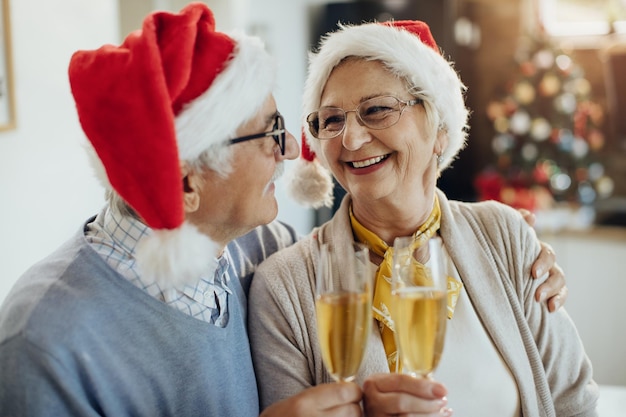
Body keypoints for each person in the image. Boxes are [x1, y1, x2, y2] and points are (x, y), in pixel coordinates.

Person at [0, 4, 567, 417]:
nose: (299, 148)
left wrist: (515, 245)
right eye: (274, 132)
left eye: (376, 110)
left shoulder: (251, 249)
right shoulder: (44, 343)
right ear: (184, 182)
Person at [248, 20, 599, 416]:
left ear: (440, 131)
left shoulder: (506, 234)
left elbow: (573, 401)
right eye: (331, 120)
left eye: (376, 110)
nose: (351, 139)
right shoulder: (283, 286)